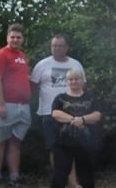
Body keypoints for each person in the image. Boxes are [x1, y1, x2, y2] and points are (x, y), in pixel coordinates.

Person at [0, 23, 32, 186]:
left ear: (22, 39)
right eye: (12, 37)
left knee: (15, 141)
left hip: (23, 105)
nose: (15, 40)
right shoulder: (0, 55)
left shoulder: (22, 56)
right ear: (7, 37)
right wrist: (1, 104)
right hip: (6, 104)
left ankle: (14, 176)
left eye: (18, 37)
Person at [49, 69, 102, 188]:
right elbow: (55, 113)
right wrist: (74, 119)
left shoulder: (90, 98)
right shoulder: (60, 98)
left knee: (86, 170)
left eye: (77, 79)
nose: (74, 82)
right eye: (71, 79)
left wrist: (83, 119)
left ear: (82, 80)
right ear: (67, 82)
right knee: (61, 169)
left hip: (85, 142)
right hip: (63, 142)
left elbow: (97, 115)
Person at [31, 34, 85, 164]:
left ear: (67, 47)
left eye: (60, 46)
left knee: (73, 146)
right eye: (54, 46)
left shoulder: (75, 64)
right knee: (54, 147)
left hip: (73, 113)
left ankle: (73, 180)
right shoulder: (42, 64)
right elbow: (32, 87)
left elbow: (83, 88)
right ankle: (58, 178)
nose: (57, 48)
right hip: (49, 113)